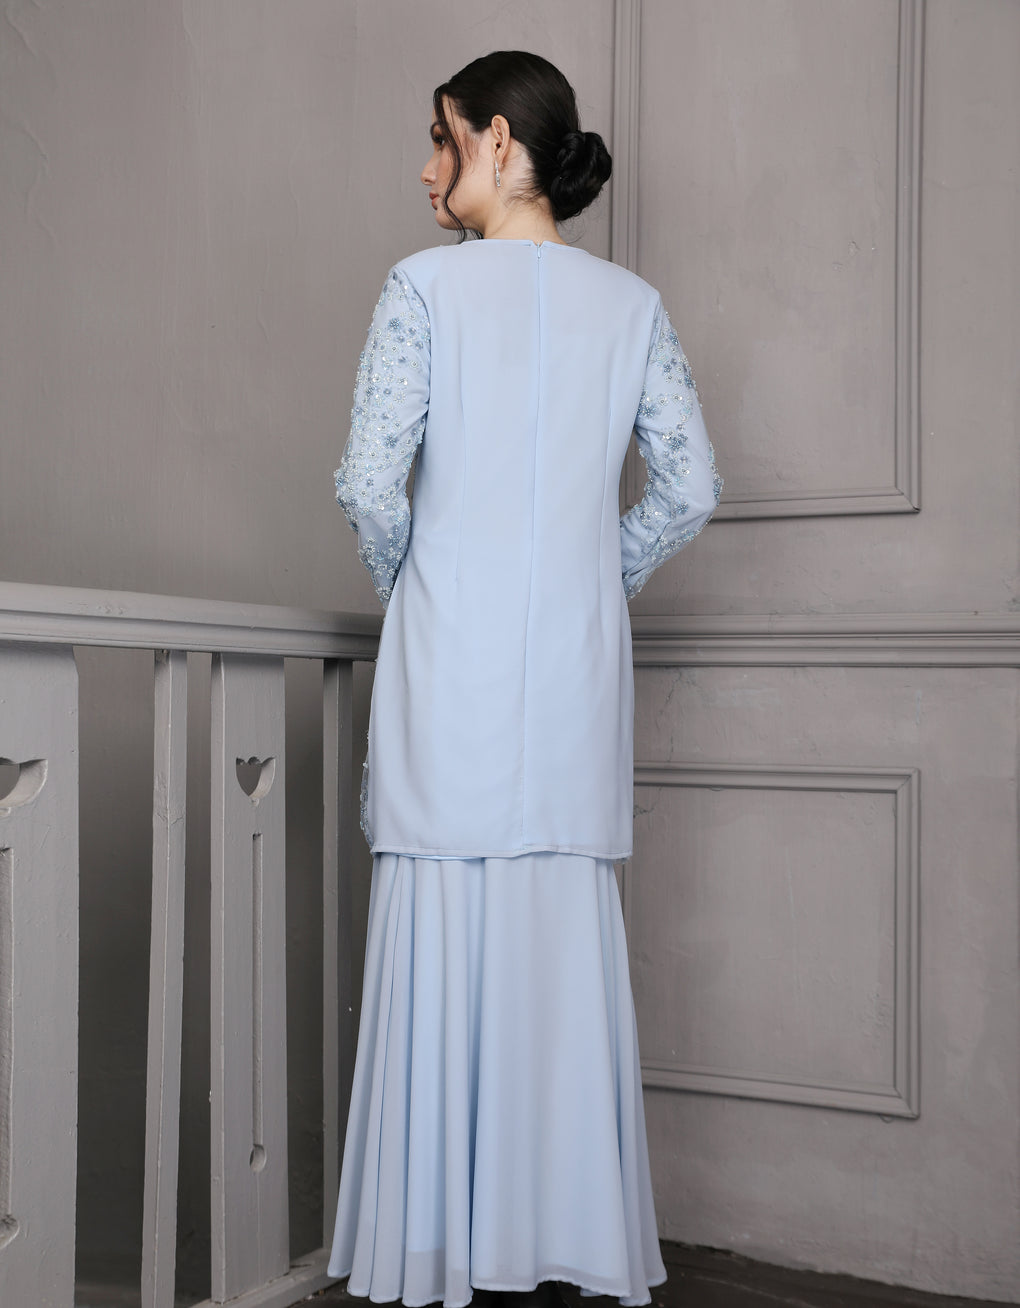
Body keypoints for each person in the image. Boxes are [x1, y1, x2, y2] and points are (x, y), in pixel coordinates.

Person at [327, 48, 722, 1308]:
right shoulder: (633, 305)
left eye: (441, 138)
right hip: (570, 679)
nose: (426, 169)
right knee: (558, 949)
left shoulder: (423, 288)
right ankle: (562, 1240)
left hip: (451, 664)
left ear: (499, 141)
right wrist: (601, 573)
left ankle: (437, 1252)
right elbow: (693, 489)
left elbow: (366, 483)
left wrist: (413, 581)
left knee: (443, 933)